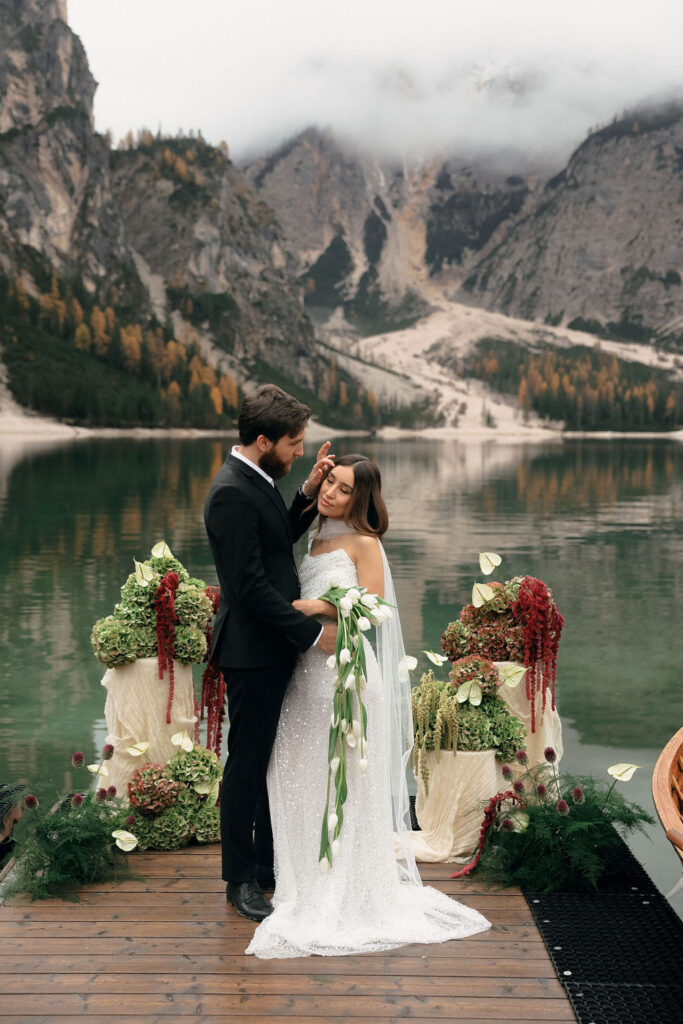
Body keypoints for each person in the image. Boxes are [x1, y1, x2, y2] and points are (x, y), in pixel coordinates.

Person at [246, 454, 491, 958]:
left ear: (362, 499)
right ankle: (304, 876)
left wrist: (321, 605)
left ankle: (347, 884)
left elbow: (376, 609)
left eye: (343, 488)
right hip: (304, 674)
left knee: (345, 778)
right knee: (297, 773)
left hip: (346, 677)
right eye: (329, 483)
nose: (332, 493)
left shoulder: (365, 542)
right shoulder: (313, 537)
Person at [204, 384, 337, 923]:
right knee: (246, 763)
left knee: (262, 757)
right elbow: (250, 588)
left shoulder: (253, 478)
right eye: (294, 443)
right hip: (253, 650)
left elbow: (276, 539)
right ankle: (240, 882)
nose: (300, 450)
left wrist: (305, 494)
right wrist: (309, 634)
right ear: (264, 441)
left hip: (268, 645)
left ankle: (263, 864)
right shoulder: (231, 492)